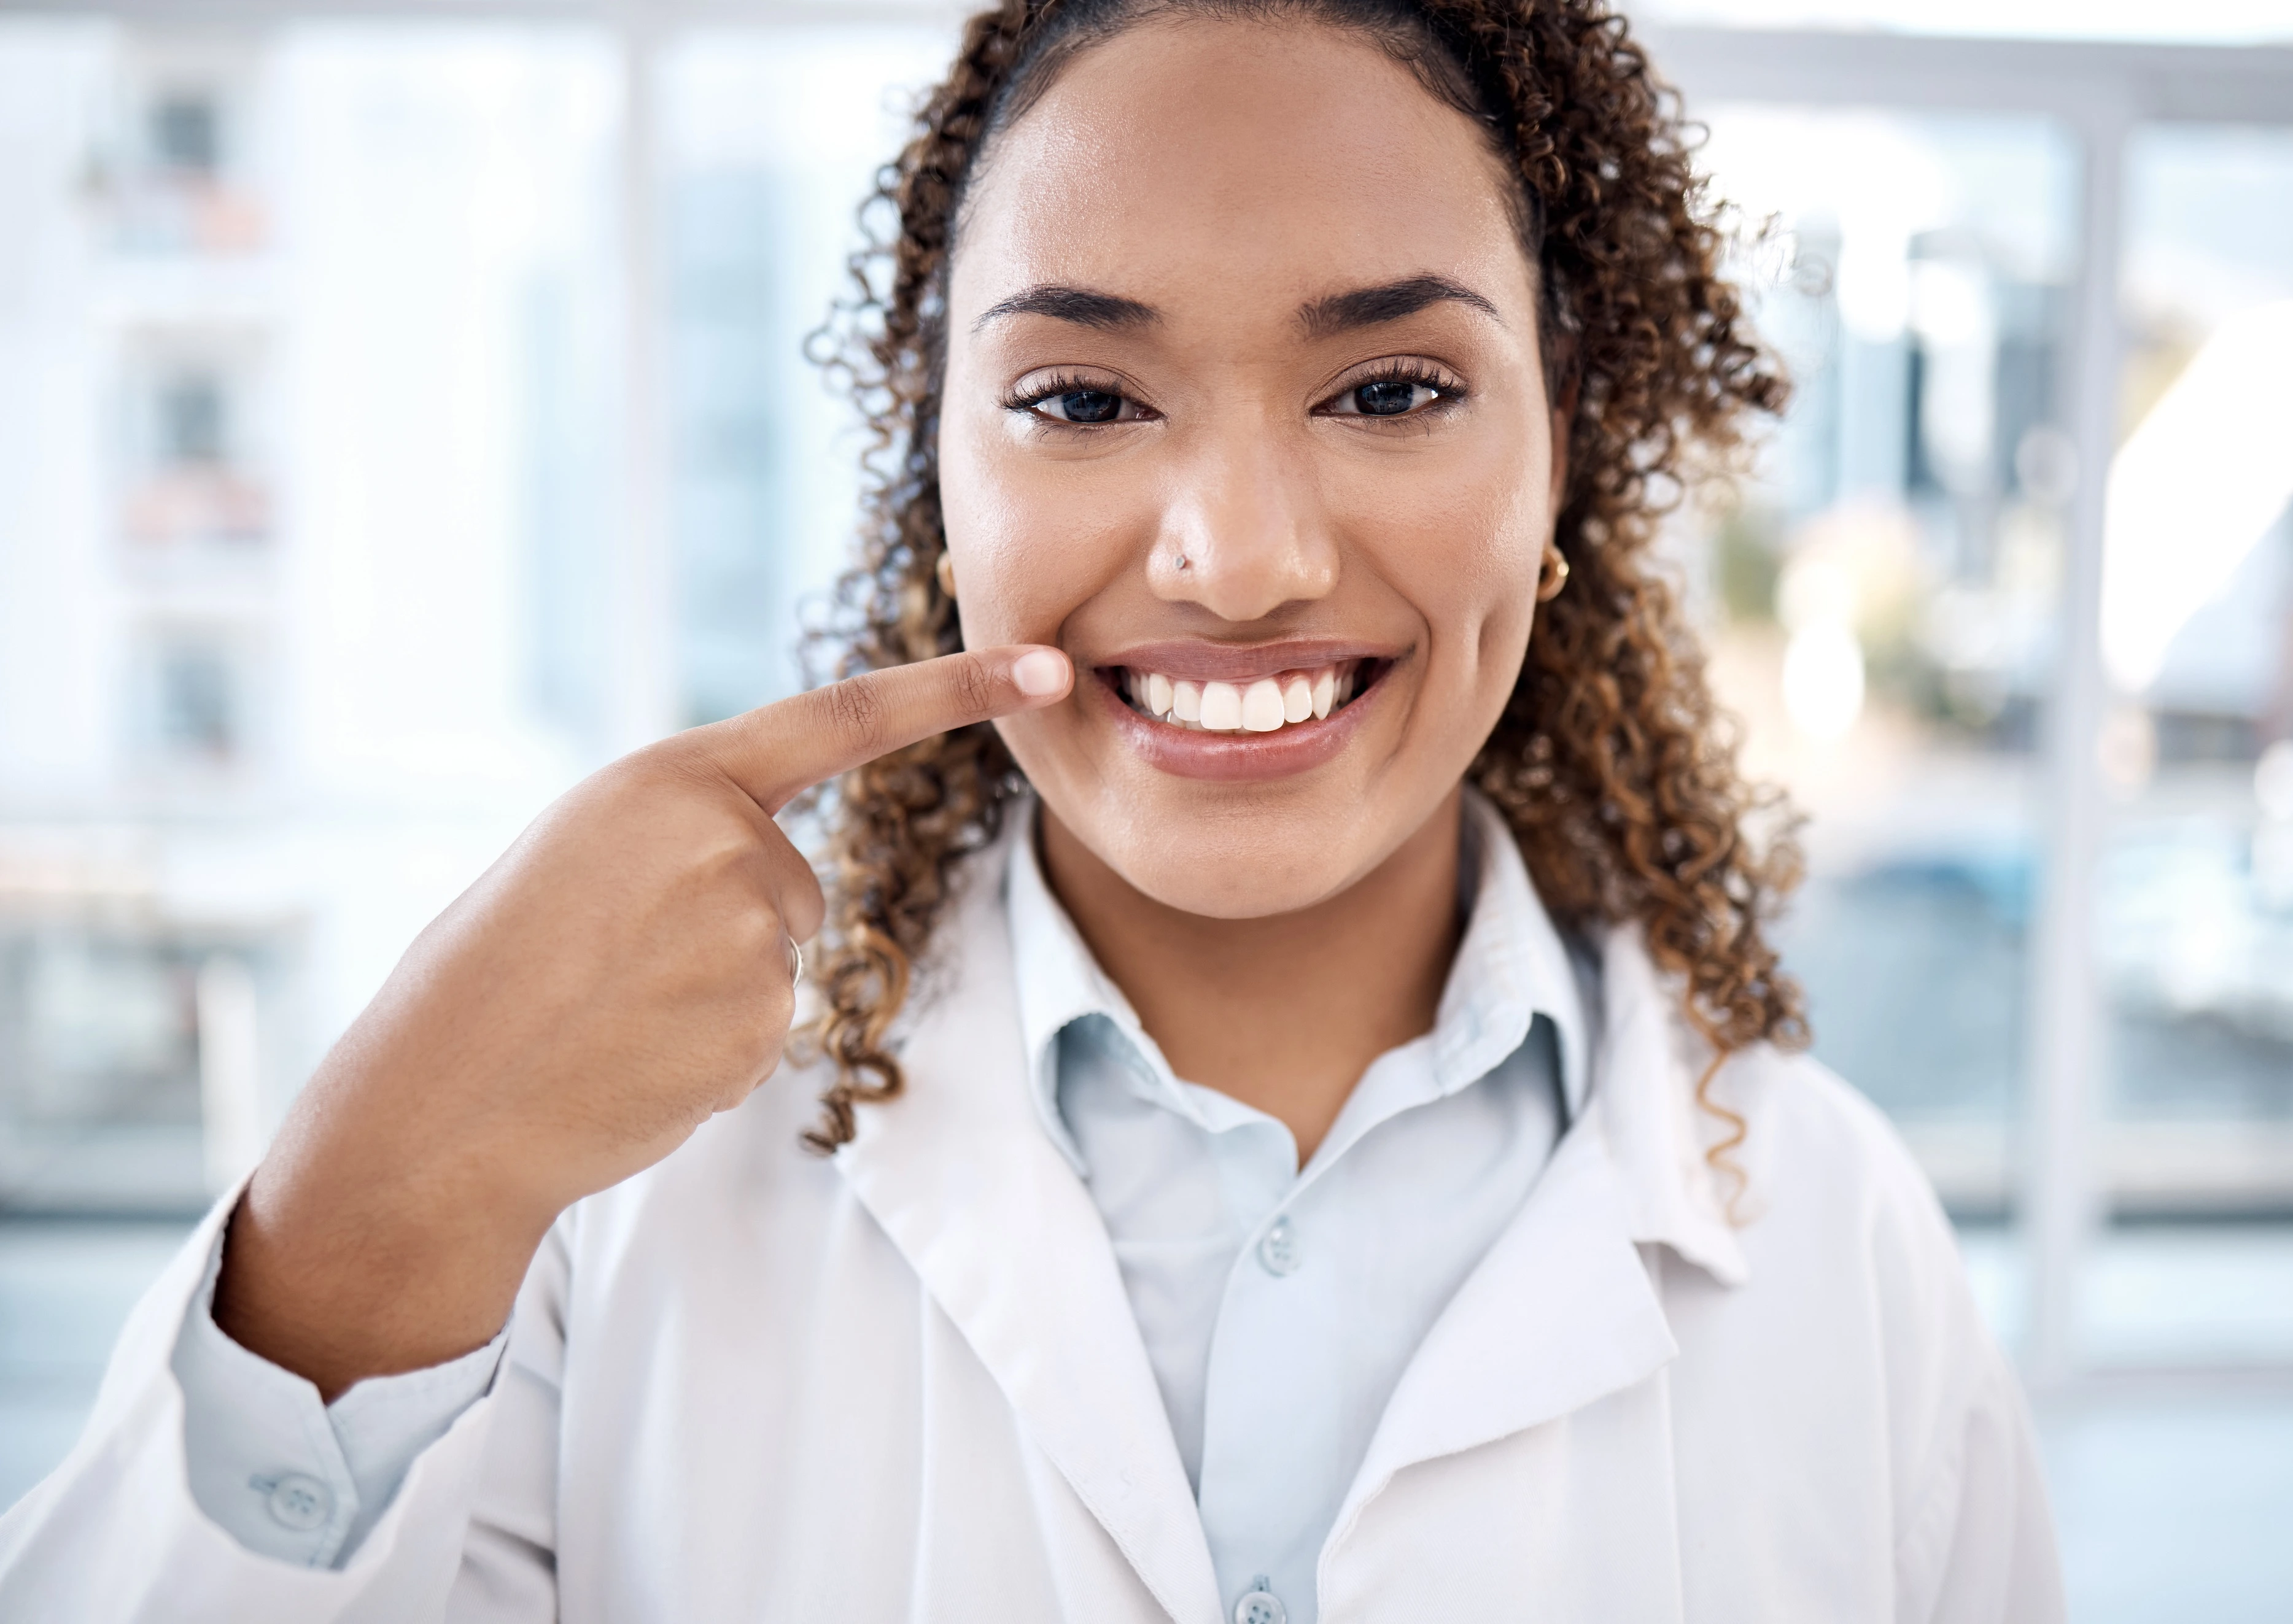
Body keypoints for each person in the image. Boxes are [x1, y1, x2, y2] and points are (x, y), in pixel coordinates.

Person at [0, 1, 2065, 1618]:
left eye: (1391, 390)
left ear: (1562, 448)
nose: (1237, 559)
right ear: (942, 477)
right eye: (1080, 398)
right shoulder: (600, 1204)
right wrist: (354, 1220)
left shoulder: (1840, 1250)